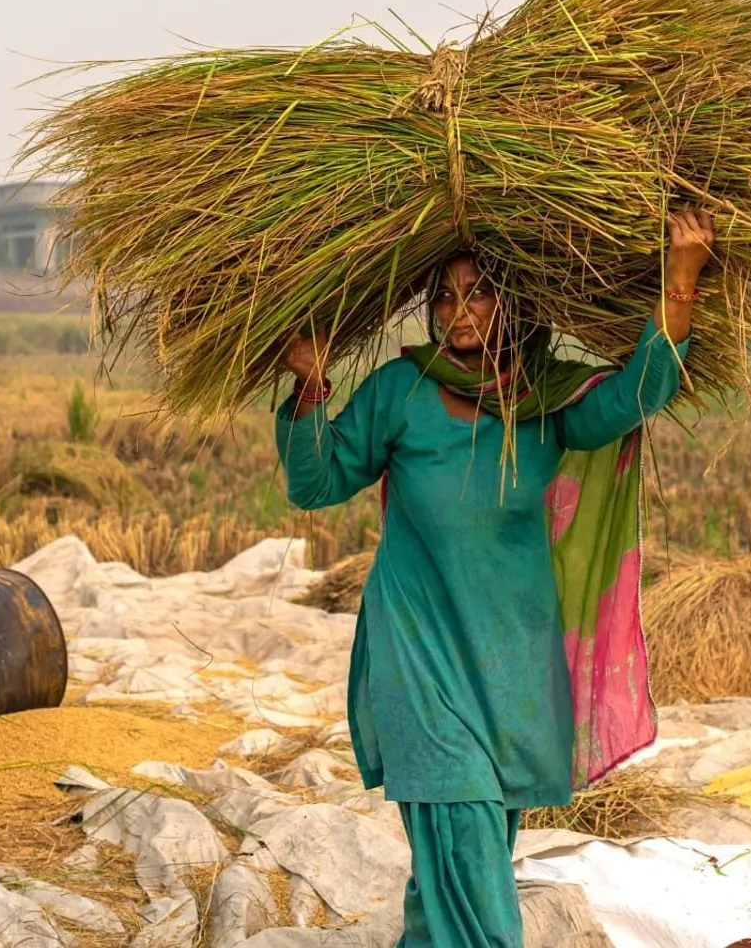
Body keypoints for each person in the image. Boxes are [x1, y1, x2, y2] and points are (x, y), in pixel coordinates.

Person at [277, 210, 715, 948]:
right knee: (465, 847)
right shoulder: (399, 391)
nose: (459, 311)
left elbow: (638, 394)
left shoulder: (543, 401)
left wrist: (681, 276)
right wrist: (313, 384)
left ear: (514, 302)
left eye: (478, 293)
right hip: (421, 655)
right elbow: (315, 482)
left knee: (458, 866)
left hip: (512, 659)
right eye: (444, 298)